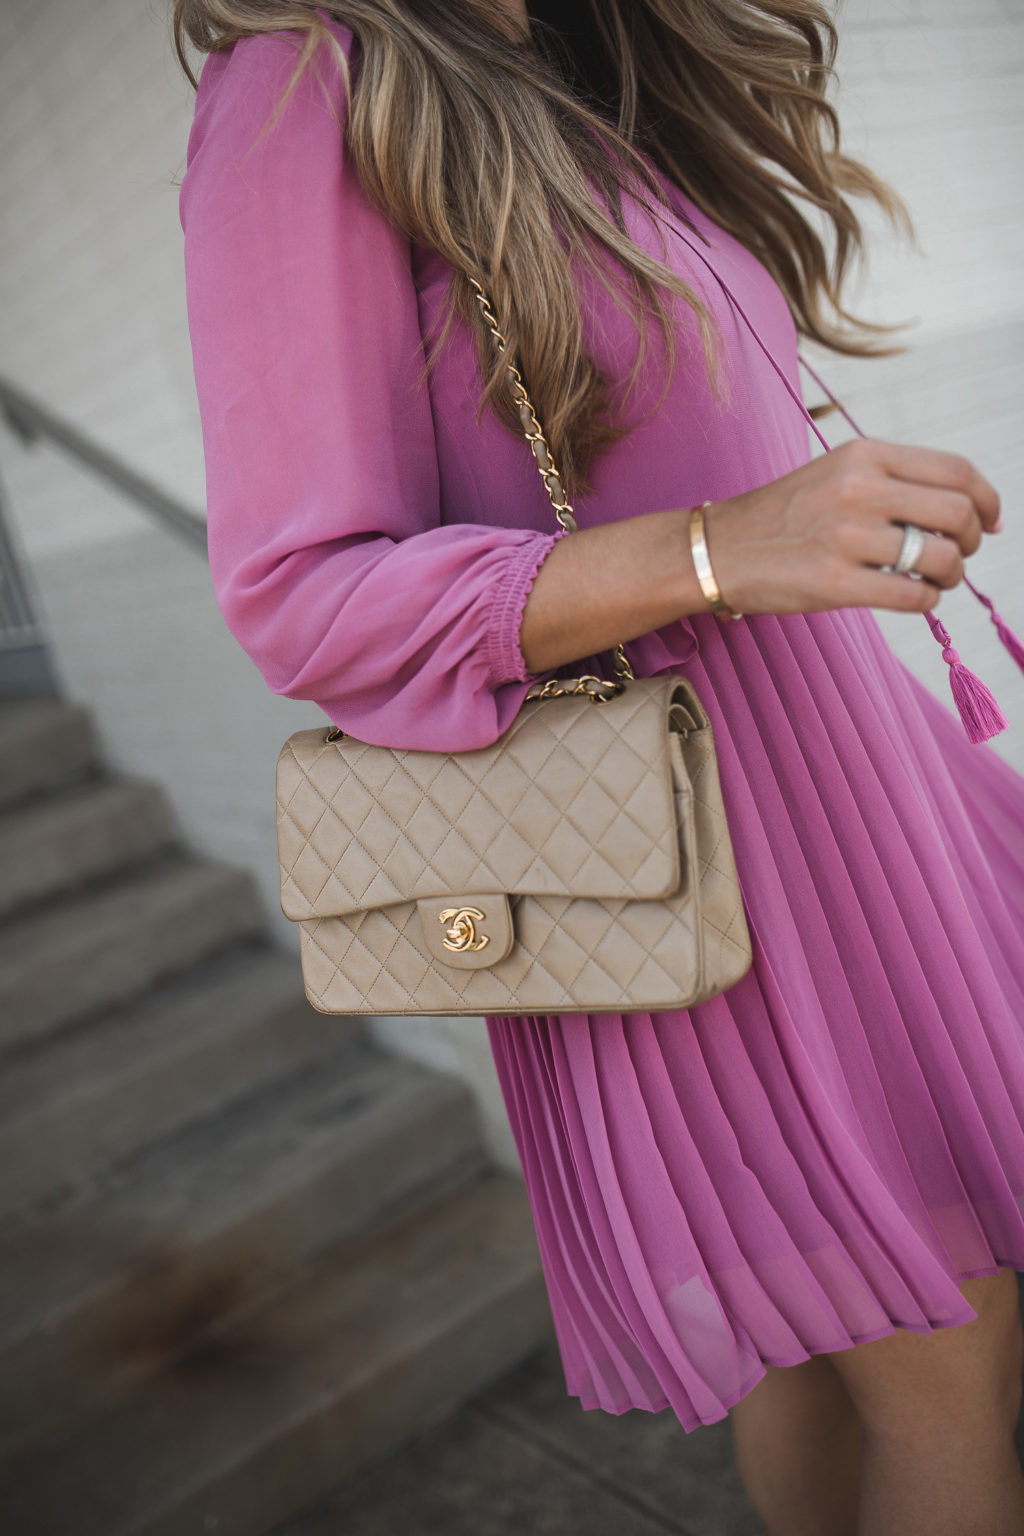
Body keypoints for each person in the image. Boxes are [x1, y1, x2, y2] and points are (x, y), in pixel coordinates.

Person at [175, 3, 1024, 1531]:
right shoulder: (309, 78)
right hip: (688, 870)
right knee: (950, 1373)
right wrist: (719, 546)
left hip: (859, 808)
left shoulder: (582, 52)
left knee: (839, 1364)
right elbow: (303, 593)